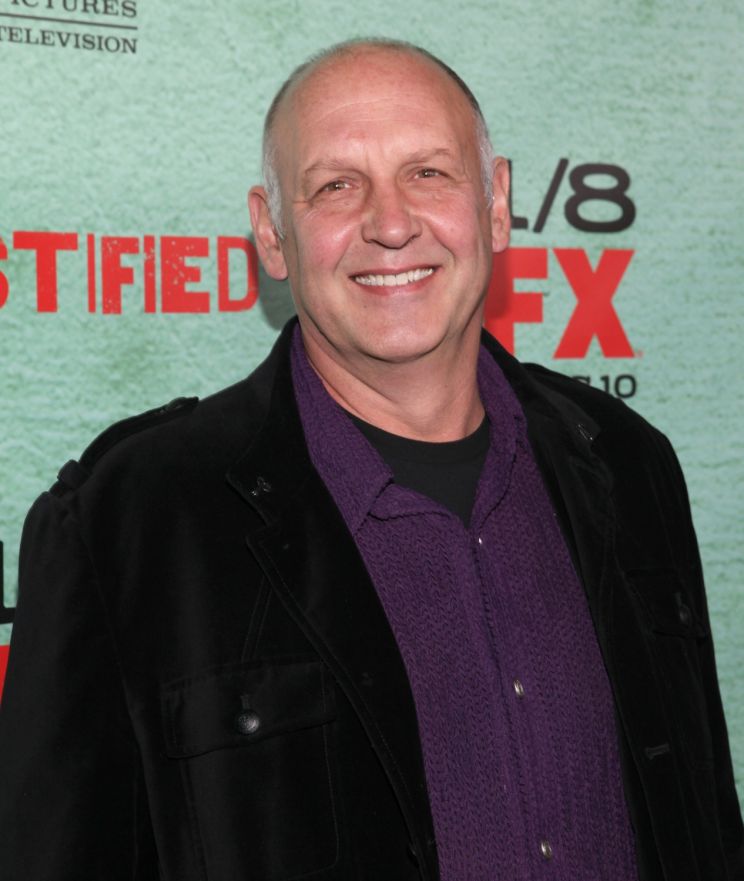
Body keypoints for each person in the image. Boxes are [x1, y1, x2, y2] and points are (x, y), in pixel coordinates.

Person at [0, 37, 741, 881]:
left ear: (497, 204)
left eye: (429, 172)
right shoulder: (127, 526)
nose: (391, 224)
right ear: (272, 234)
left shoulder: (629, 466)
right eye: (336, 186)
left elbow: (707, 825)